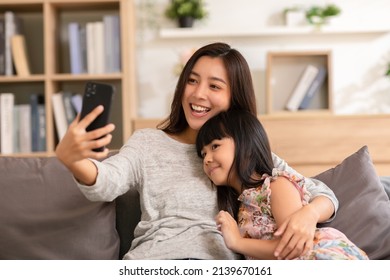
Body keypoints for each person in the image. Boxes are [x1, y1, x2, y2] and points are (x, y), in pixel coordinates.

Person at [55, 42, 338, 260]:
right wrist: (74, 160)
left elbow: (319, 192)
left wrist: (308, 214)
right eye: (192, 80)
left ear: (234, 99)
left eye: (214, 86)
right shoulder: (147, 142)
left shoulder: (245, 153)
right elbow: (107, 181)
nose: (198, 93)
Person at [196, 109, 368, 260]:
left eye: (215, 146)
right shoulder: (243, 204)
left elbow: (292, 248)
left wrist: (237, 242)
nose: (207, 159)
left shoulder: (276, 185)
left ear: (246, 145)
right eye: (203, 154)